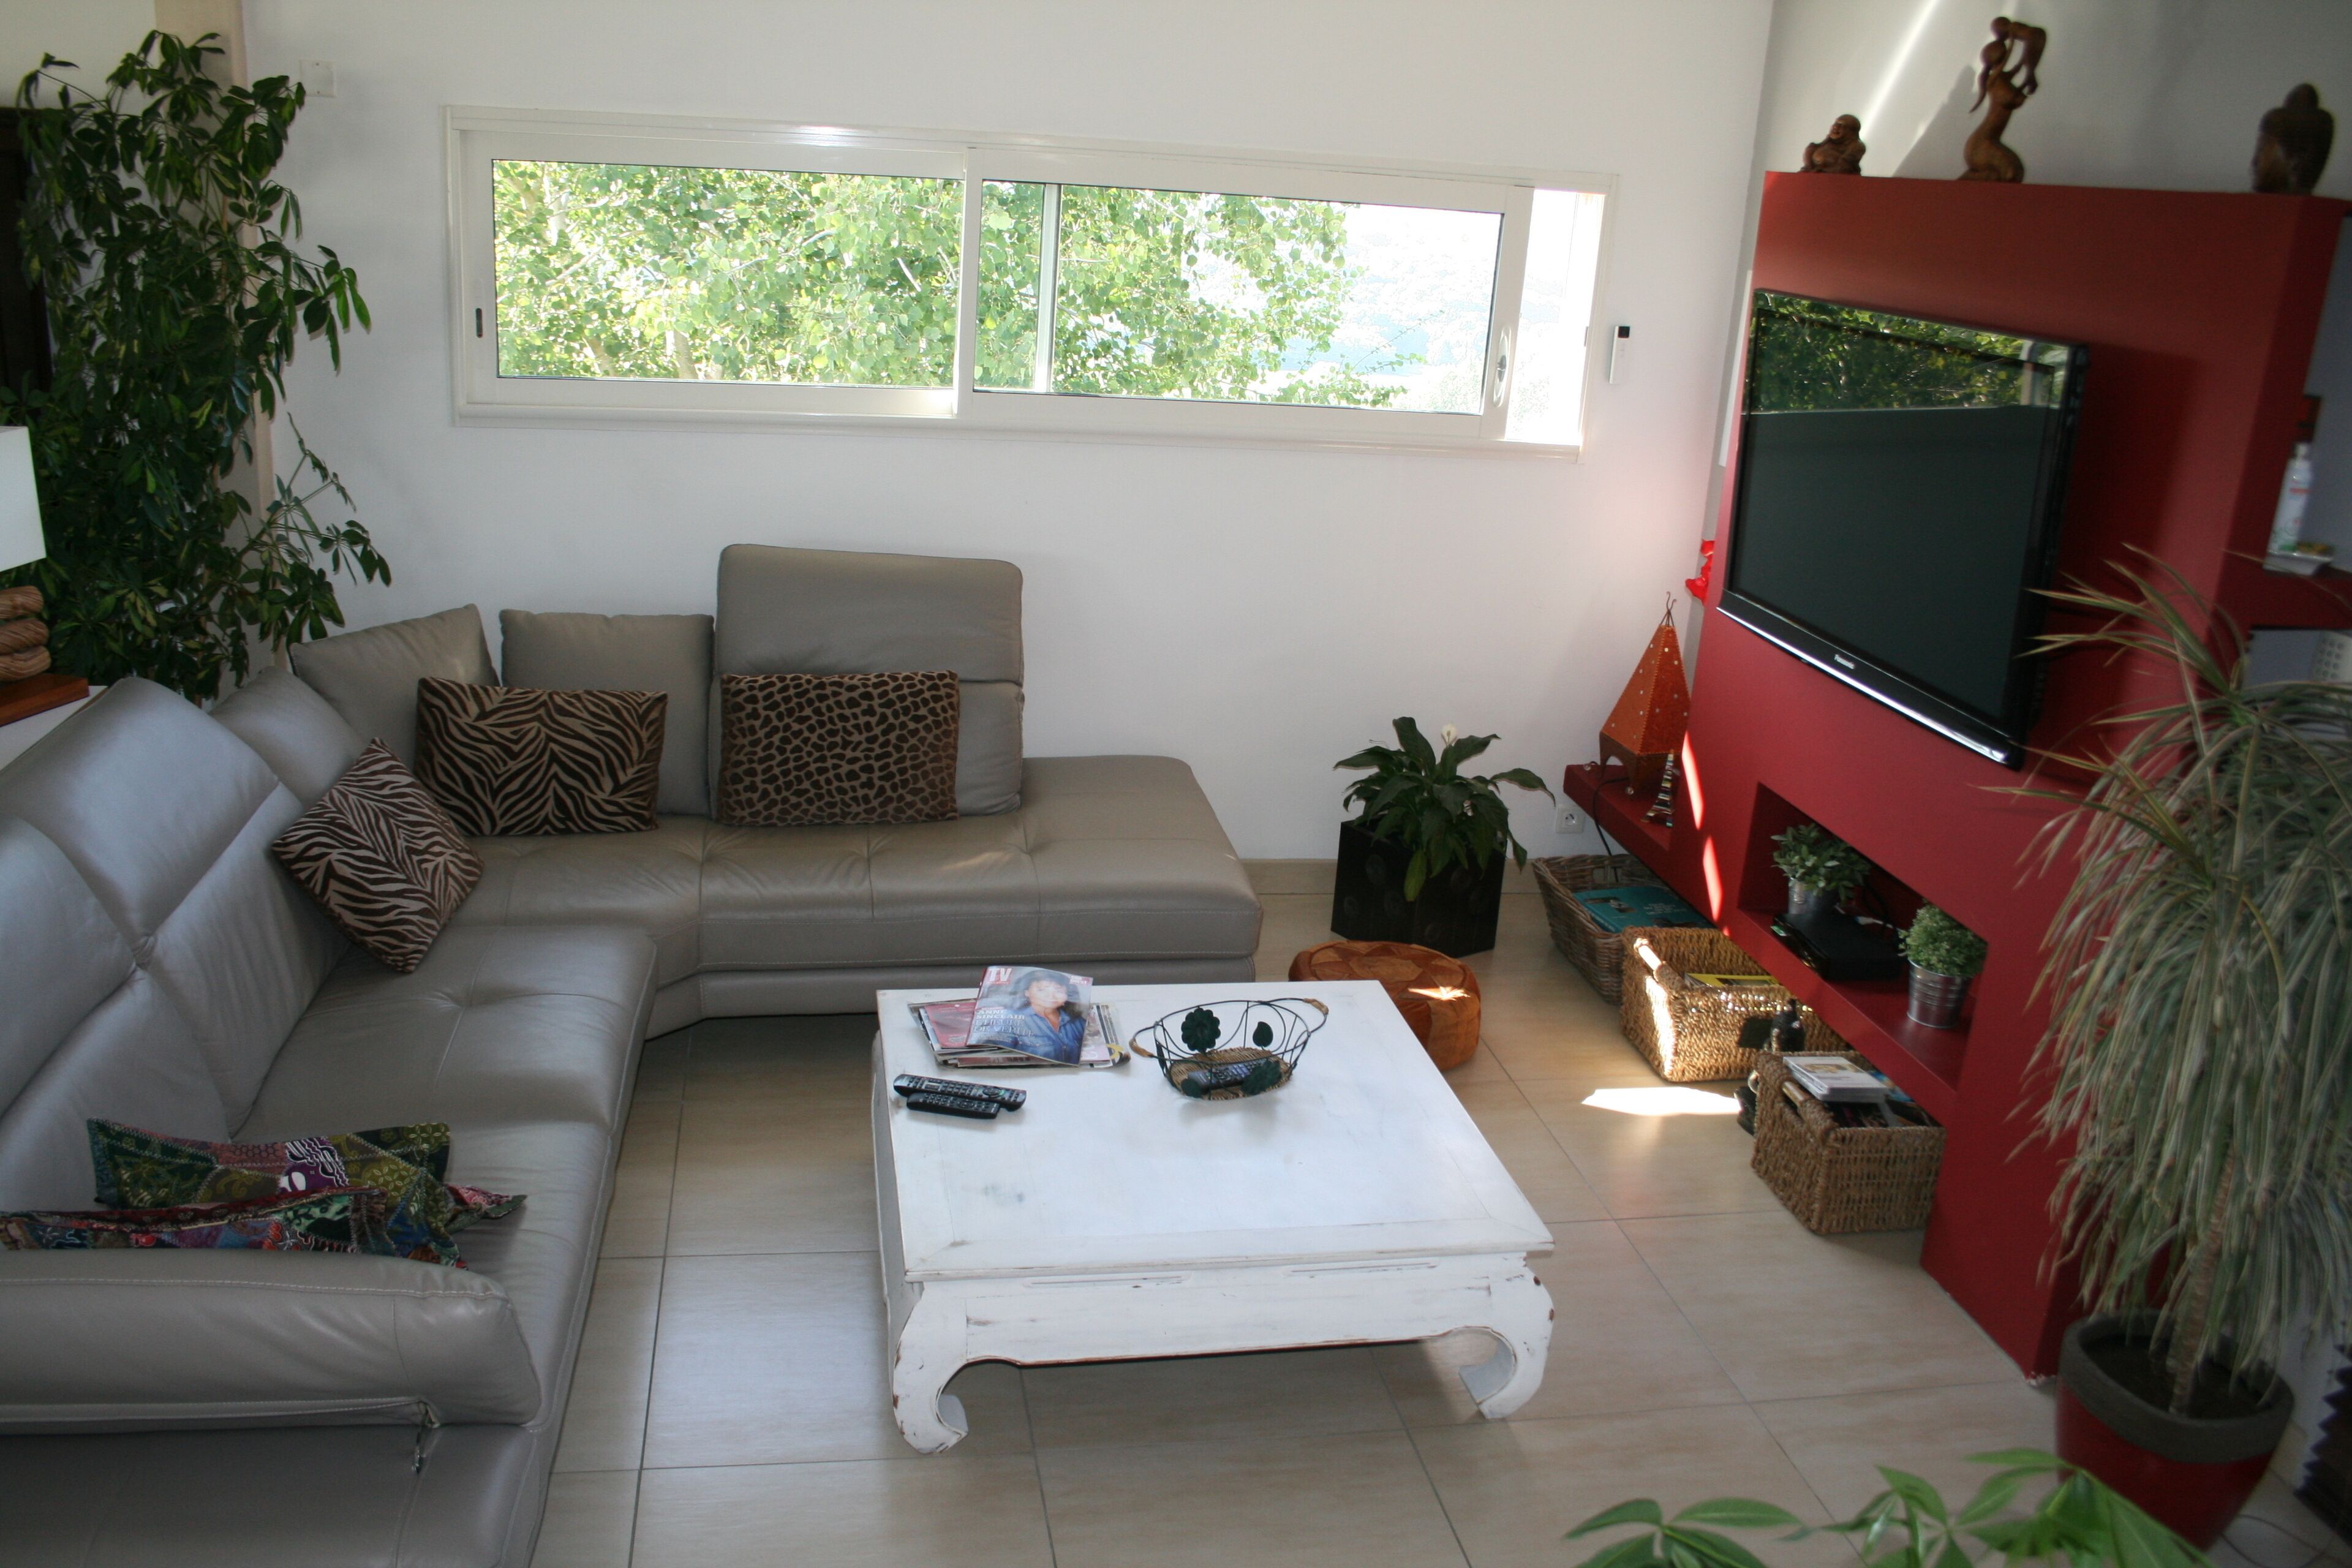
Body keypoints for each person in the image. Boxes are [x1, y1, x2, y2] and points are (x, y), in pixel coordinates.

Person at [989, 971, 1089, 1063]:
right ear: (1026, 992)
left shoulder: (1076, 1021)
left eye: (1059, 991)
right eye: (1041, 990)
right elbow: (995, 1057)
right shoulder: (1010, 1019)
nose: (1051, 996)